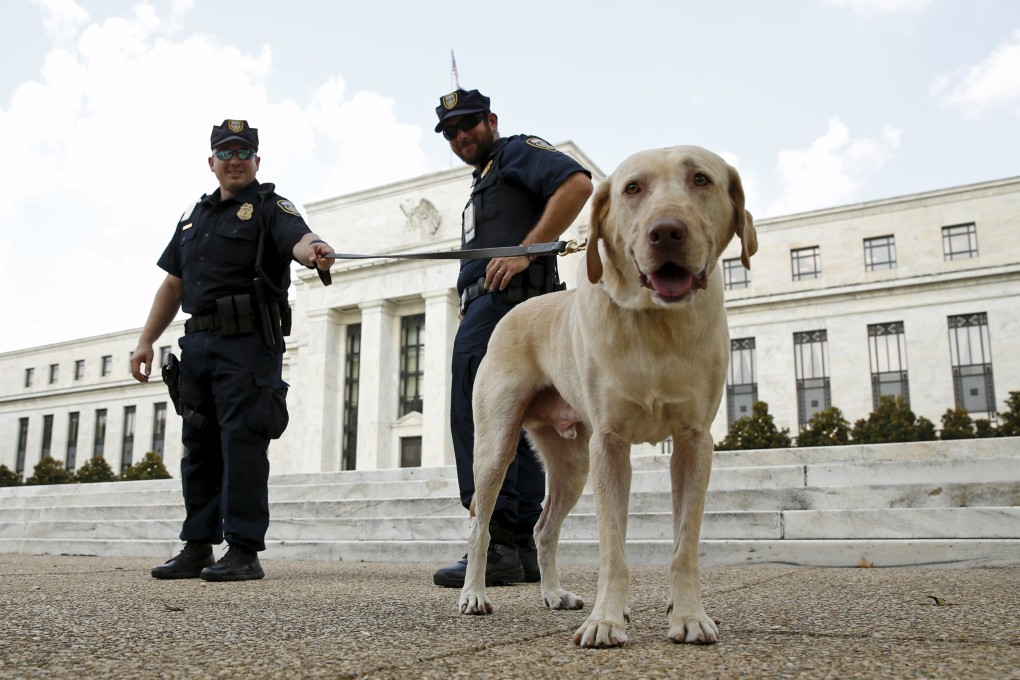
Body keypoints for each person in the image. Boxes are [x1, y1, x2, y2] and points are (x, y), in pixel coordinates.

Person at [130, 119, 335, 582]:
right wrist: (146, 340)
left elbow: (299, 238)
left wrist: (314, 249)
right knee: (198, 447)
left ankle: (243, 549)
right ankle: (197, 546)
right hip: (198, 344)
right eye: (226, 153)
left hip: (247, 346)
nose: (235, 160)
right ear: (212, 162)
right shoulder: (194, 218)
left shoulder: (269, 207)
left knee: (243, 445)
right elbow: (172, 283)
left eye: (244, 152)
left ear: (257, 161)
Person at [431, 89, 594, 587]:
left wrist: (526, 250)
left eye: (470, 124)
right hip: (497, 307)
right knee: (518, 430)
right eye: (452, 131)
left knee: (480, 420)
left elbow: (577, 184)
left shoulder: (515, 151)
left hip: (508, 308)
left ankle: (498, 540)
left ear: (491, 121)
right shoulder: (485, 178)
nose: (462, 136)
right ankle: (517, 546)